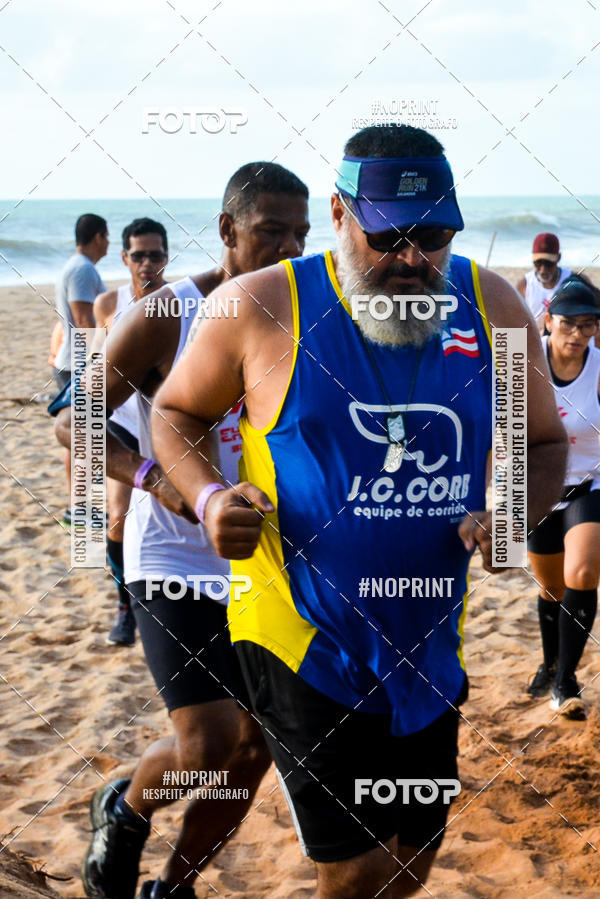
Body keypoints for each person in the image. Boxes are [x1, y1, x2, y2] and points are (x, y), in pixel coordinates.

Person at [151, 125, 568, 899]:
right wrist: (209, 496)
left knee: (408, 867)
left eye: (435, 236)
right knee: (357, 874)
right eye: (391, 238)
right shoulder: (258, 307)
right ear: (340, 215)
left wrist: (509, 511)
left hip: (431, 646)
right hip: (302, 636)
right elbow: (174, 411)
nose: (415, 261)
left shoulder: (493, 306)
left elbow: (542, 441)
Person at [56, 161, 310, 899]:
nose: (291, 249)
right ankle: (127, 807)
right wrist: (152, 479)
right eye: (271, 231)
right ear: (229, 229)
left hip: (258, 558)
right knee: (208, 742)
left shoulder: (307, 314)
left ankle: (176, 884)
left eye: (302, 232)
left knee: (256, 748)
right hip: (171, 553)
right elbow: (77, 421)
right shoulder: (167, 314)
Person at [526, 278, 600, 719]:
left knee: (584, 571)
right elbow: (503, 435)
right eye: (568, 324)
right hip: (537, 489)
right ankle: (549, 662)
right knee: (551, 586)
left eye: (588, 325)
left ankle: (565, 680)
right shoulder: (523, 365)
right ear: (548, 321)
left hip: (590, 485)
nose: (577, 334)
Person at [94, 217, 169, 647]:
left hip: (163, 425)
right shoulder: (108, 304)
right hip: (120, 423)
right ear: (124, 258)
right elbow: (90, 361)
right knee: (119, 518)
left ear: (166, 257)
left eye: (155, 255)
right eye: (138, 255)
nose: (146, 263)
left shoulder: (178, 302)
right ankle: (126, 607)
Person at [53, 213, 109, 525]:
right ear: (98, 237)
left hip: (73, 361)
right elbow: (85, 322)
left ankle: (79, 504)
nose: (109, 244)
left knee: (80, 436)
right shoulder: (82, 270)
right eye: (107, 237)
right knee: (83, 436)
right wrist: (101, 360)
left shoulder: (76, 267)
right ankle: (78, 508)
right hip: (78, 363)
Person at [516, 233, 572, 332]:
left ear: (558, 258)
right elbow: (512, 322)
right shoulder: (524, 285)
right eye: (538, 263)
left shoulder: (572, 281)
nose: (543, 269)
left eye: (548, 263)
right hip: (534, 341)